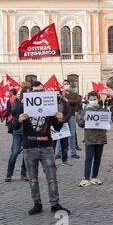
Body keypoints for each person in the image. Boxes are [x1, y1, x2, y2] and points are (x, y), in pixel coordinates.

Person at [12, 81, 70, 215]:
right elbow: (13, 126)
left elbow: (56, 127)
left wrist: (60, 119)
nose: (39, 93)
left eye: (41, 91)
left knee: (52, 177)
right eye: (36, 91)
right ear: (30, 92)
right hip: (29, 146)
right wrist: (19, 120)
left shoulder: (50, 105)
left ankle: (55, 204)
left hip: (46, 146)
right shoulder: (23, 105)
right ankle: (37, 203)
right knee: (33, 178)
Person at [78, 91, 108, 187]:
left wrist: (108, 121)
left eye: (94, 99)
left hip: (100, 137)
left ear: (98, 99)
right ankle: (86, 178)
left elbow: (107, 122)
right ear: (88, 100)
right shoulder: (85, 111)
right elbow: (80, 124)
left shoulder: (103, 110)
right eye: (91, 100)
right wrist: (84, 120)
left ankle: (94, 176)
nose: (93, 101)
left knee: (98, 158)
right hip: (90, 138)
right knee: (88, 158)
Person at [5, 86, 29, 182]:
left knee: (26, 154)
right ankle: (9, 173)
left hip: (28, 131)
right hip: (18, 131)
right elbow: (13, 112)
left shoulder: (32, 102)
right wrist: (21, 103)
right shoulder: (17, 101)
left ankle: (23, 173)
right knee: (14, 153)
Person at [56, 80, 81, 159]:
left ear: (69, 85)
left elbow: (78, 101)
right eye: (64, 84)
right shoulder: (60, 93)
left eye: (67, 84)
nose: (66, 85)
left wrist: (68, 100)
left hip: (72, 116)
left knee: (72, 134)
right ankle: (58, 153)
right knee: (61, 134)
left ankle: (73, 152)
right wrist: (61, 96)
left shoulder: (74, 94)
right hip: (62, 116)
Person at [54, 89, 72, 167]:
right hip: (53, 126)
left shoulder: (64, 103)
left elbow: (69, 113)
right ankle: (51, 161)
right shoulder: (49, 103)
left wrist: (64, 119)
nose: (57, 96)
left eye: (58, 94)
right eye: (55, 94)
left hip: (63, 125)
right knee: (52, 145)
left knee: (64, 144)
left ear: (61, 95)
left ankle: (65, 160)